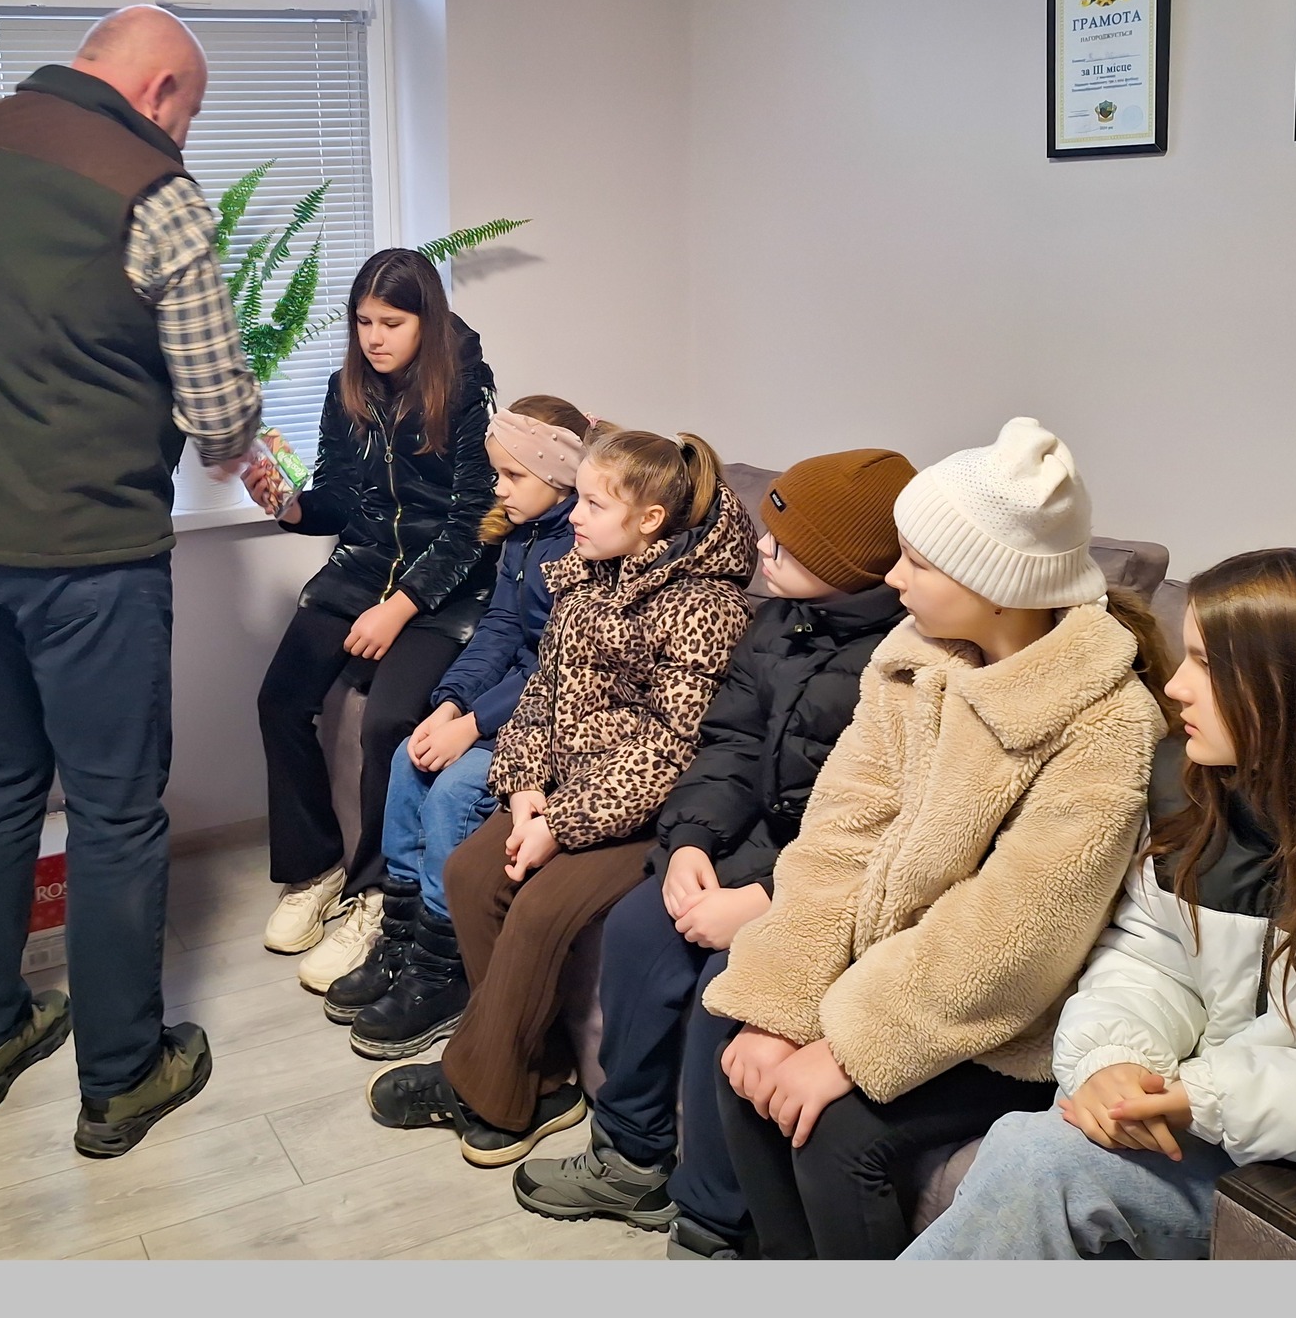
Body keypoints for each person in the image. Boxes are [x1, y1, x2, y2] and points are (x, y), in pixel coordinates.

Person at [0, 6, 261, 1157]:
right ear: (159, 92)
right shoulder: (150, 190)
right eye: (188, 115)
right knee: (111, 809)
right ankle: (121, 1076)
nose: (182, 138)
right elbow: (219, 413)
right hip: (85, 560)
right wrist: (234, 441)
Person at [700, 416, 1174, 1259]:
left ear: (997, 585)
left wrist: (850, 1047)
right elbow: (840, 837)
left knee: (837, 1134)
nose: (892, 576)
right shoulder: (913, 659)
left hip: (1001, 1022)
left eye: (918, 562)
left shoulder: (1108, 720)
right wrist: (779, 1006)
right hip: (882, 978)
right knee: (745, 1070)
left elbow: (1018, 932)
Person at [902, 548, 1296, 1260]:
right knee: (1033, 1146)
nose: (1174, 686)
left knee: (1039, 1161)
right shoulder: (1191, 789)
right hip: (1216, 1124)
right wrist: (1114, 1058)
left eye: (1208, 664)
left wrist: (1221, 1097)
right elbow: (1148, 956)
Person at [511, 448, 916, 1259]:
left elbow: (881, 830)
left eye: (785, 541)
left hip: (813, 879)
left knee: (724, 988)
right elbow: (727, 744)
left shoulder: (900, 666)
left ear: (845, 563)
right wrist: (690, 838)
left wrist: (759, 899)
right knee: (638, 928)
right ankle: (630, 1156)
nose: (761, 546)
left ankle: (713, 1218)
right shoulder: (778, 621)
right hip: (744, 844)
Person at [367, 429, 758, 1168]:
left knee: (541, 906)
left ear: (649, 520)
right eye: (576, 497)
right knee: (470, 873)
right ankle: (540, 1080)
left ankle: (486, 1093)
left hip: (642, 814)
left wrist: (564, 825)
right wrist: (522, 790)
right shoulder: (582, 579)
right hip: (562, 791)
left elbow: (672, 750)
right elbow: (542, 696)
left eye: (592, 504)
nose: (573, 516)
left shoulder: (706, 607)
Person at [254, 249, 498, 996]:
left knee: (386, 722)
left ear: (426, 319)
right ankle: (316, 870)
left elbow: (473, 524)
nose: (374, 337)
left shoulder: (467, 391)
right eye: (363, 322)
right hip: (361, 568)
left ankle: (371, 897)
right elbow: (340, 496)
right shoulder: (346, 388)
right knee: (279, 700)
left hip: (444, 590)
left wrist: (401, 606)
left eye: (391, 322)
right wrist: (290, 507)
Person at [329, 396, 592, 1058]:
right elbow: (500, 629)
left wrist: (474, 723)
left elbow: (555, 668)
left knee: (452, 793)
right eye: (497, 473)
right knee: (406, 757)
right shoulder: (521, 535)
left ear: (560, 474)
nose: (498, 489)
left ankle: (444, 970)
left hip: (548, 715)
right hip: (501, 702)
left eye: (513, 476)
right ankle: (402, 938)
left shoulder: (583, 546)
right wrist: (449, 705)